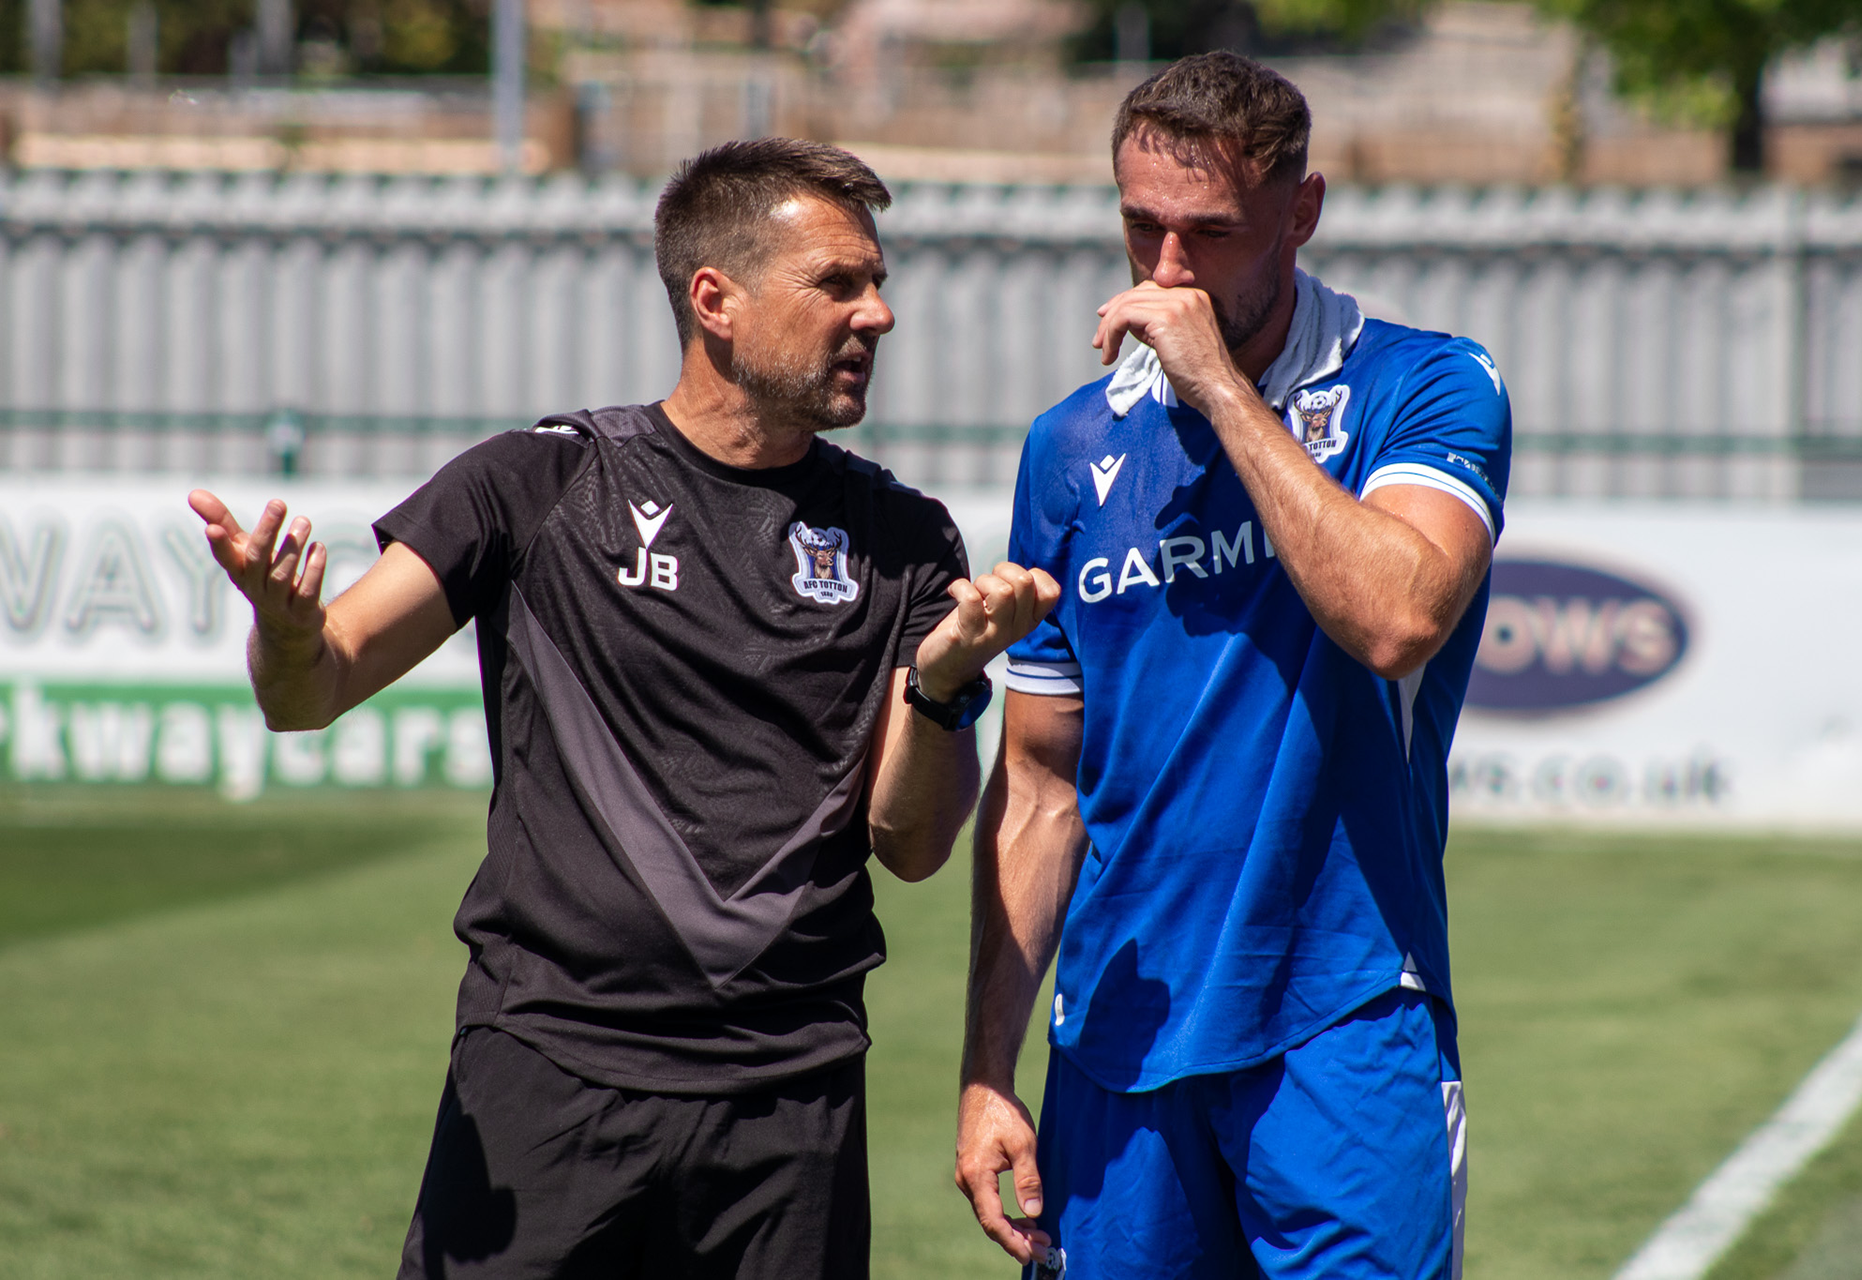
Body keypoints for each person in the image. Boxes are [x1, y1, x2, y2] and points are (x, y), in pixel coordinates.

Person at [189, 138, 1059, 1280]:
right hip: (547, 1071)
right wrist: (291, 630)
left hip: (787, 1100)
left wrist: (941, 685)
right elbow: (315, 688)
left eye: (879, 281)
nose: (879, 314)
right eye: (839, 283)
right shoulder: (538, 482)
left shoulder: (904, 537)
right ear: (718, 301)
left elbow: (908, 843)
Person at [954, 53, 1511, 1280]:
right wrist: (987, 1069)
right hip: (1116, 1035)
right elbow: (1039, 788)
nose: (1164, 269)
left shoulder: (1422, 385)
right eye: (1139, 226)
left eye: (1207, 233)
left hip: (1344, 1013)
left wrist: (1213, 385)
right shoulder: (1071, 445)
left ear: (1299, 214)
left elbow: (1397, 616)